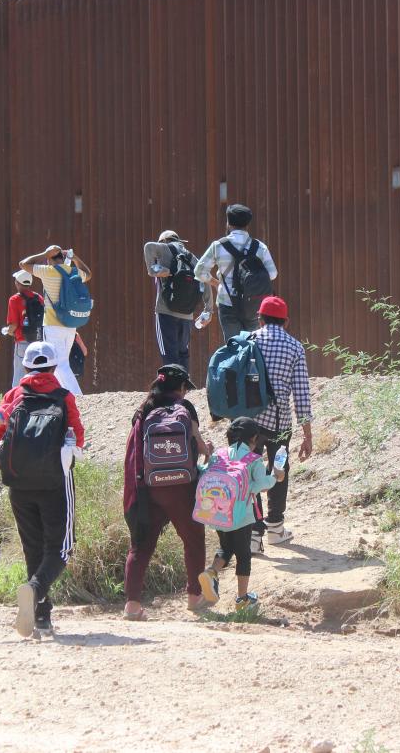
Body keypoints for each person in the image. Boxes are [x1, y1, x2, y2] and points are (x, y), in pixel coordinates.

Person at [0, 341, 85, 638]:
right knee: (61, 547)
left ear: (26, 367)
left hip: (18, 485)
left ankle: (41, 618)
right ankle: (34, 592)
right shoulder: (64, 397)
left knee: (33, 548)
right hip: (55, 483)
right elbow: (78, 438)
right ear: (53, 367)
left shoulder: (13, 397)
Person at [121, 364, 212, 621]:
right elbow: (200, 445)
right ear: (181, 387)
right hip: (182, 487)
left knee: (140, 546)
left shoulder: (142, 410)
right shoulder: (185, 409)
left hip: (148, 487)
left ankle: (132, 606)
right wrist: (208, 449)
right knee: (193, 540)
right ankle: (195, 597)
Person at [248, 296, 314, 552]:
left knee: (250, 473)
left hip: (248, 423)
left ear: (260, 318)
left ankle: (253, 535)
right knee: (279, 470)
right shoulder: (295, 347)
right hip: (280, 424)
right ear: (286, 322)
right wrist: (307, 434)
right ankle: (275, 528)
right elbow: (301, 394)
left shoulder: (248, 340)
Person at [197, 417, 281, 611]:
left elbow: (204, 473)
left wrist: (204, 459)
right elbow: (261, 485)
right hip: (242, 516)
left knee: (226, 548)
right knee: (243, 555)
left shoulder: (219, 454)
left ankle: (211, 573)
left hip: (217, 514)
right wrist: (275, 476)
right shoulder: (253, 459)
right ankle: (242, 599)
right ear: (253, 438)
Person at [195, 204, 278, 341]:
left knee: (233, 346)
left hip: (228, 303)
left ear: (228, 223)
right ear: (247, 224)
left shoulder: (218, 246)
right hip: (253, 304)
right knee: (253, 346)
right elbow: (273, 274)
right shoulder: (259, 247)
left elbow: (199, 271)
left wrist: (216, 283)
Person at [19, 245, 93, 396]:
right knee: (62, 362)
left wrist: (44, 253)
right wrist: (75, 258)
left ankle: (77, 396)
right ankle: (66, 394)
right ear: (62, 257)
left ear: (49, 259)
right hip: (71, 324)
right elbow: (88, 274)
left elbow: (23, 264)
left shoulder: (48, 271)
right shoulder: (73, 271)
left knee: (60, 364)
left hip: (53, 324)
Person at [144, 230, 212, 369]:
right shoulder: (191, 258)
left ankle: (172, 387)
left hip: (165, 312)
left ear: (163, 241)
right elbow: (206, 280)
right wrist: (208, 310)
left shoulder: (164, 248)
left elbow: (148, 247)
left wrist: (153, 270)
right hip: (187, 314)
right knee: (183, 353)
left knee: (168, 353)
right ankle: (183, 386)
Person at [5, 269, 45, 388]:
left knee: (19, 375)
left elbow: (14, 325)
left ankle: (17, 401)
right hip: (38, 341)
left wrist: (9, 332)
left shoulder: (14, 299)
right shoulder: (39, 298)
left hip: (22, 342)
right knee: (37, 374)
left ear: (18, 283)